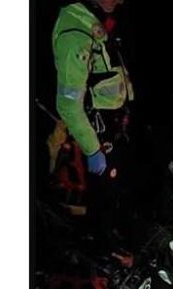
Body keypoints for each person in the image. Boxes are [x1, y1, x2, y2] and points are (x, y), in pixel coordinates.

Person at [52, 0, 134, 246]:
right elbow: (67, 104)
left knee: (110, 190)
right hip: (94, 129)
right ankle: (95, 245)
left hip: (109, 124)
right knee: (96, 194)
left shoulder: (93, 20)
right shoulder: (75, 32)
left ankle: (106, 237)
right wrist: (92, 149)